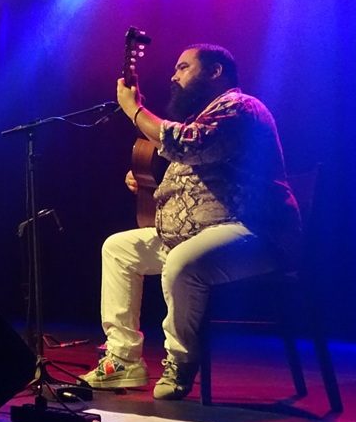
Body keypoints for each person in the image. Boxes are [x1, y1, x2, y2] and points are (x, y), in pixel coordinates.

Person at [81, 44, 300, 400]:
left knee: (183, 263)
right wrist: (148, 181)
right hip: (201, 235)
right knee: (119, 248)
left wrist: (133, 110)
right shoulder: (205, 119)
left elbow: (186, 146)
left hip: (255, 233)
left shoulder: (240, 107)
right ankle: (124, 361)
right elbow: (189, 171)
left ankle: (181, 361)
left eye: (183, 67)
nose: (173, 76)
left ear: (215, 72)